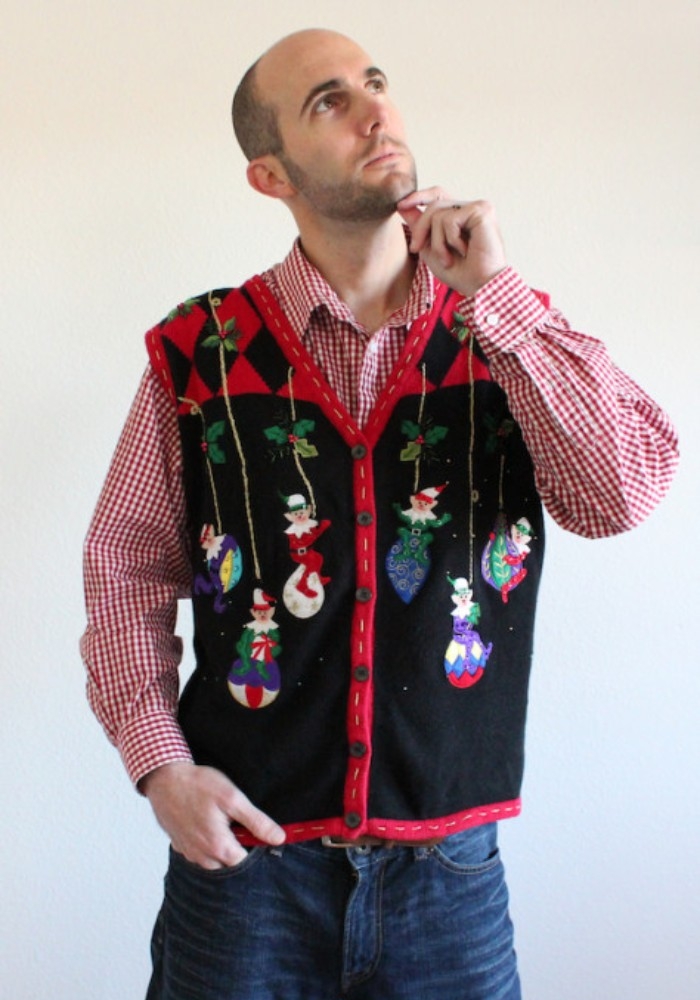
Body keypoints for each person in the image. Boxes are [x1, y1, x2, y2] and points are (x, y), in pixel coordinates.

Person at [80, 28, 678, 1000]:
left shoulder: (504, 332)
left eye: (376, 84)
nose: (373, 110)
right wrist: (161, 770)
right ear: (268, 175)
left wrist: (494, 293)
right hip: (244, 869)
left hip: (450, 868)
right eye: (328, 100)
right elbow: (125, 570)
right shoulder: (199, 353)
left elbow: (621, 495)